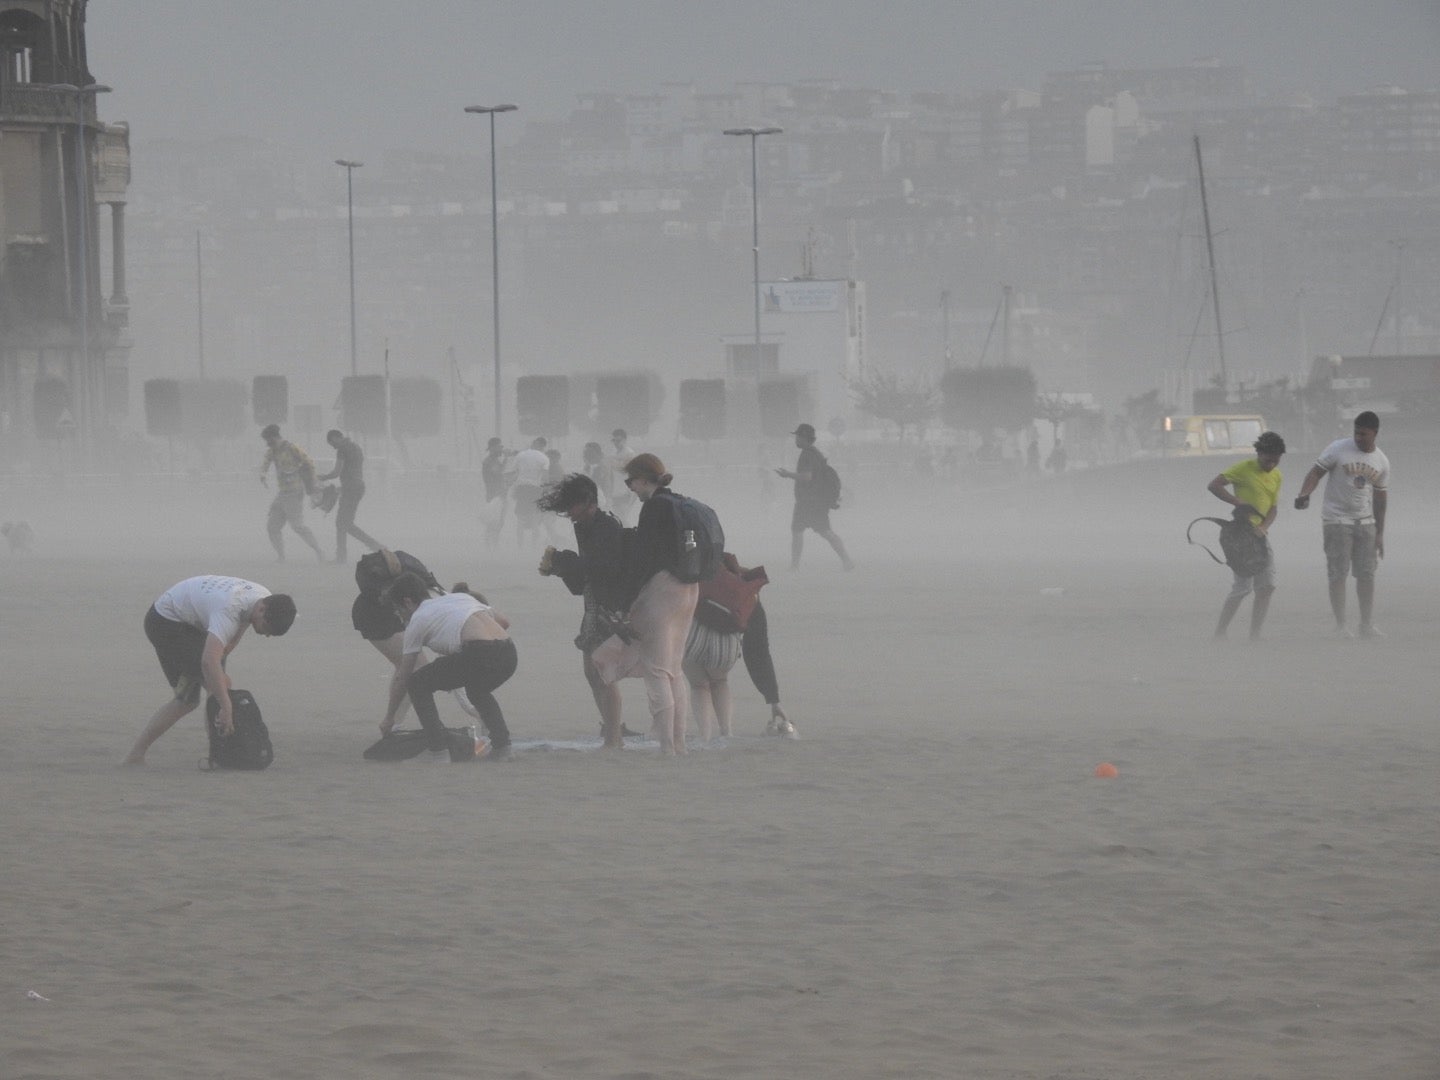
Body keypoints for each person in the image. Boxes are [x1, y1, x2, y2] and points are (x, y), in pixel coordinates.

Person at [591, 453, 699, 754]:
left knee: (655, 670)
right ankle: (679, 743)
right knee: (674, 668)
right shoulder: (679, 502)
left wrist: (625, 603)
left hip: (662, 589)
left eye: (630, 482)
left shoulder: (654, 508)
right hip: (688, 588)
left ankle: (666, 745)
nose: (630, 489)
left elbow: (642, 560)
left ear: (642, 479)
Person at [125, 576, 296, 764]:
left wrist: (220, 685)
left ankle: (137, 755)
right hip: (166, 624)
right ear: (262, 609)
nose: (267, 635)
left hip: (190, 622)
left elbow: (235, 633)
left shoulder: (262, 598)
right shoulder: (229, 608)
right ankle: (220, 756)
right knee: (213, 689)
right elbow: (208, 661)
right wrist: (226, 706)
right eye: (266, 628)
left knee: (192, 698)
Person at [537, 472, 631, 748]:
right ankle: (612, 732)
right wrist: (563, 567)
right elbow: (586, 576)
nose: (569, 514)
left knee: (603, 672)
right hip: (592, 602)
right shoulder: (584, 527)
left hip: (609, 605)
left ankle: (614, 739)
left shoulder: (607, 527)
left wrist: (564, 563)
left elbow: (604, 570)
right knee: (592, 673)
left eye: (572, 507)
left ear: (589, 502)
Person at [380, 572, 517, 762]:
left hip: (479, 653)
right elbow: (504, 622)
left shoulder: (418, 619)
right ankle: (503, 748)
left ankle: (438, 752)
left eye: (399, 610)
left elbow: (403, 675)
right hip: (509, 653)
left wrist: (389, 717)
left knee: (417, 683)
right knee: (477, 690)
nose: (400, 616)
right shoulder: (458, 597)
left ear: (408, 602)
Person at [1292, 411, 1390, 639]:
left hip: (1365, 522)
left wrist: (1380, 533)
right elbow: (1315, 473)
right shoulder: (1338, 448)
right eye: (1356, 432)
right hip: (1336, 521)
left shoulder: (1382, 461)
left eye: (1363, 434)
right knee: (1338, 573)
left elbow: (1380, 498)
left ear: (1375, 433)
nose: (1358, 438)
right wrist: (1305, 493)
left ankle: (1365, 625)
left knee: (1367, 575)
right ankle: (1341, 625)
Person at [1207, 430, 1286, 641]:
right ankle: (1220, 631)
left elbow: (1273, 509)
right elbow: (1214, 485)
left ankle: (1255, 635)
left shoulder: (1277, 475)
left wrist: (1264, 527)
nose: (1271, 465)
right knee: (1242, 587)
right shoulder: (1243, 468)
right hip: (1240, 535)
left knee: (1267, 586)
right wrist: (1236, 501)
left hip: (1260, 535)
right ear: (1259, 453)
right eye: (1268, 460)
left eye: (1276, 461)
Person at [776, 422, 853, 571]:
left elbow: (807, 477)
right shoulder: (816, 453)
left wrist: (787, 475)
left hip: (808, 502)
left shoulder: (807, 455)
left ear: (804, 437)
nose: (796, 440)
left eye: (797, 436)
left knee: (799, 531)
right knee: (825, 532)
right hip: (817, 501)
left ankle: (794, 566)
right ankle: (846, 560)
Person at [258, 423, 325, 562]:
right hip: (282, 494)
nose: (267, 443)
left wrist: (313, 484)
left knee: (297, 526)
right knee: (272, 527)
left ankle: (318, 550)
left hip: (295, 493)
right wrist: (263, 474)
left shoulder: (293, 448)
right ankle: (281, 556)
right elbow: (266, 462)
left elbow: (309, 463)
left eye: (268, 440)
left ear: (274, 437)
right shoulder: (272, 451)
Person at [317, 428, 381, 564]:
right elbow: (354, 471)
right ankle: (376, 547)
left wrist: (322, 477)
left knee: (341, 523)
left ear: (335, 437)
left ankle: (342, 557)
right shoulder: (356, 447)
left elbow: (336, 472)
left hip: (351, 489)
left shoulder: (342, 449)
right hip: (357, 487)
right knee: (346, 524)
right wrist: (342, 488)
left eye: (332, 443)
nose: (333, 447)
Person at [510, 437, 551, 548]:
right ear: (543, 447)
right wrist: (546, 493)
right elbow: (545, 478)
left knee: (520, 518)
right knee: (534, 519)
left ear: (533, 443)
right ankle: (533, 546)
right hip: (535, 490)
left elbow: (513, 472)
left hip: (522, 489)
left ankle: (520, 546)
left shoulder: (521, 455)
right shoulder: (544, 458)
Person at [480, 437, 512, 549]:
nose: (501, 449)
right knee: (494, 520)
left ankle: (492, 542)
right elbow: (498, 472)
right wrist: (507, 458)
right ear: (493, 447)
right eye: (500, 446)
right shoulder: (489, 461)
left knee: (499, 520)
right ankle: (491, 543)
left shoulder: (494, 460)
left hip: (499, 493)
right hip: (495, 494)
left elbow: (500, 473)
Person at [607, 428, 637, 524]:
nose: (616, 443)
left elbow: (623, 468)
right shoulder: (613, 452)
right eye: (614, 440)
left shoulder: (630, 453)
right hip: (614, 491)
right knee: (617, 517)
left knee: (623, 517)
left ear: (625, 440)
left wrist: (612, 461)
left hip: (625, 491)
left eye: (618, 440)